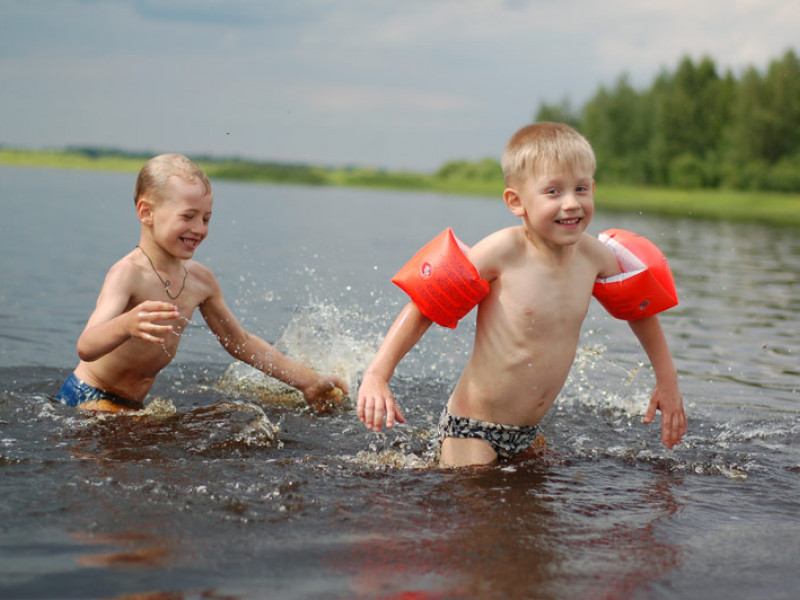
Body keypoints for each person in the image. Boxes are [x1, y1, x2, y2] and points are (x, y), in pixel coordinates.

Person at [357, 122, 686, 467]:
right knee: (475, 498)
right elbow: (425, 306)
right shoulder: (501, 253)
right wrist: (377, 376)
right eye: (553, 192)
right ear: (516, 201)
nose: (572, 203)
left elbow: (639, 310)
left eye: (581, 188)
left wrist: (667, 381)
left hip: (527, 432)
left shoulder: (595, 257)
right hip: (472, 428)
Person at [56, 153, 348, 413]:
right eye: (188, 216)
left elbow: (240, 342)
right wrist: (126, 324)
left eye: (206, 218)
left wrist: (309, 381)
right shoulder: (128, 273)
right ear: (147, 212)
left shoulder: (200, 280)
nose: (198, 229)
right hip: (88, 396)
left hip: (131, 405)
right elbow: (86, 346)